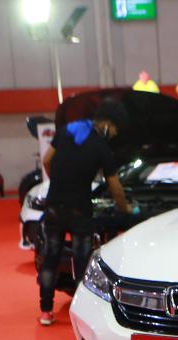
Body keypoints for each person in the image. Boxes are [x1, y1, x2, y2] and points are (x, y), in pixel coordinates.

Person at [37, 98, 135, 327]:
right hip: (80, 210)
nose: (115, 134)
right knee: (82, 262)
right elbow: (115, 188)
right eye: (116, 129)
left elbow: (46, 160)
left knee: (50, 257)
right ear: (109, 123)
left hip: (54, 206)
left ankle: (46, 311)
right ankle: (81, 313)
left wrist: (59, 182)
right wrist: (127, 210)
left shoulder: (67, 131)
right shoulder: (102, 148)